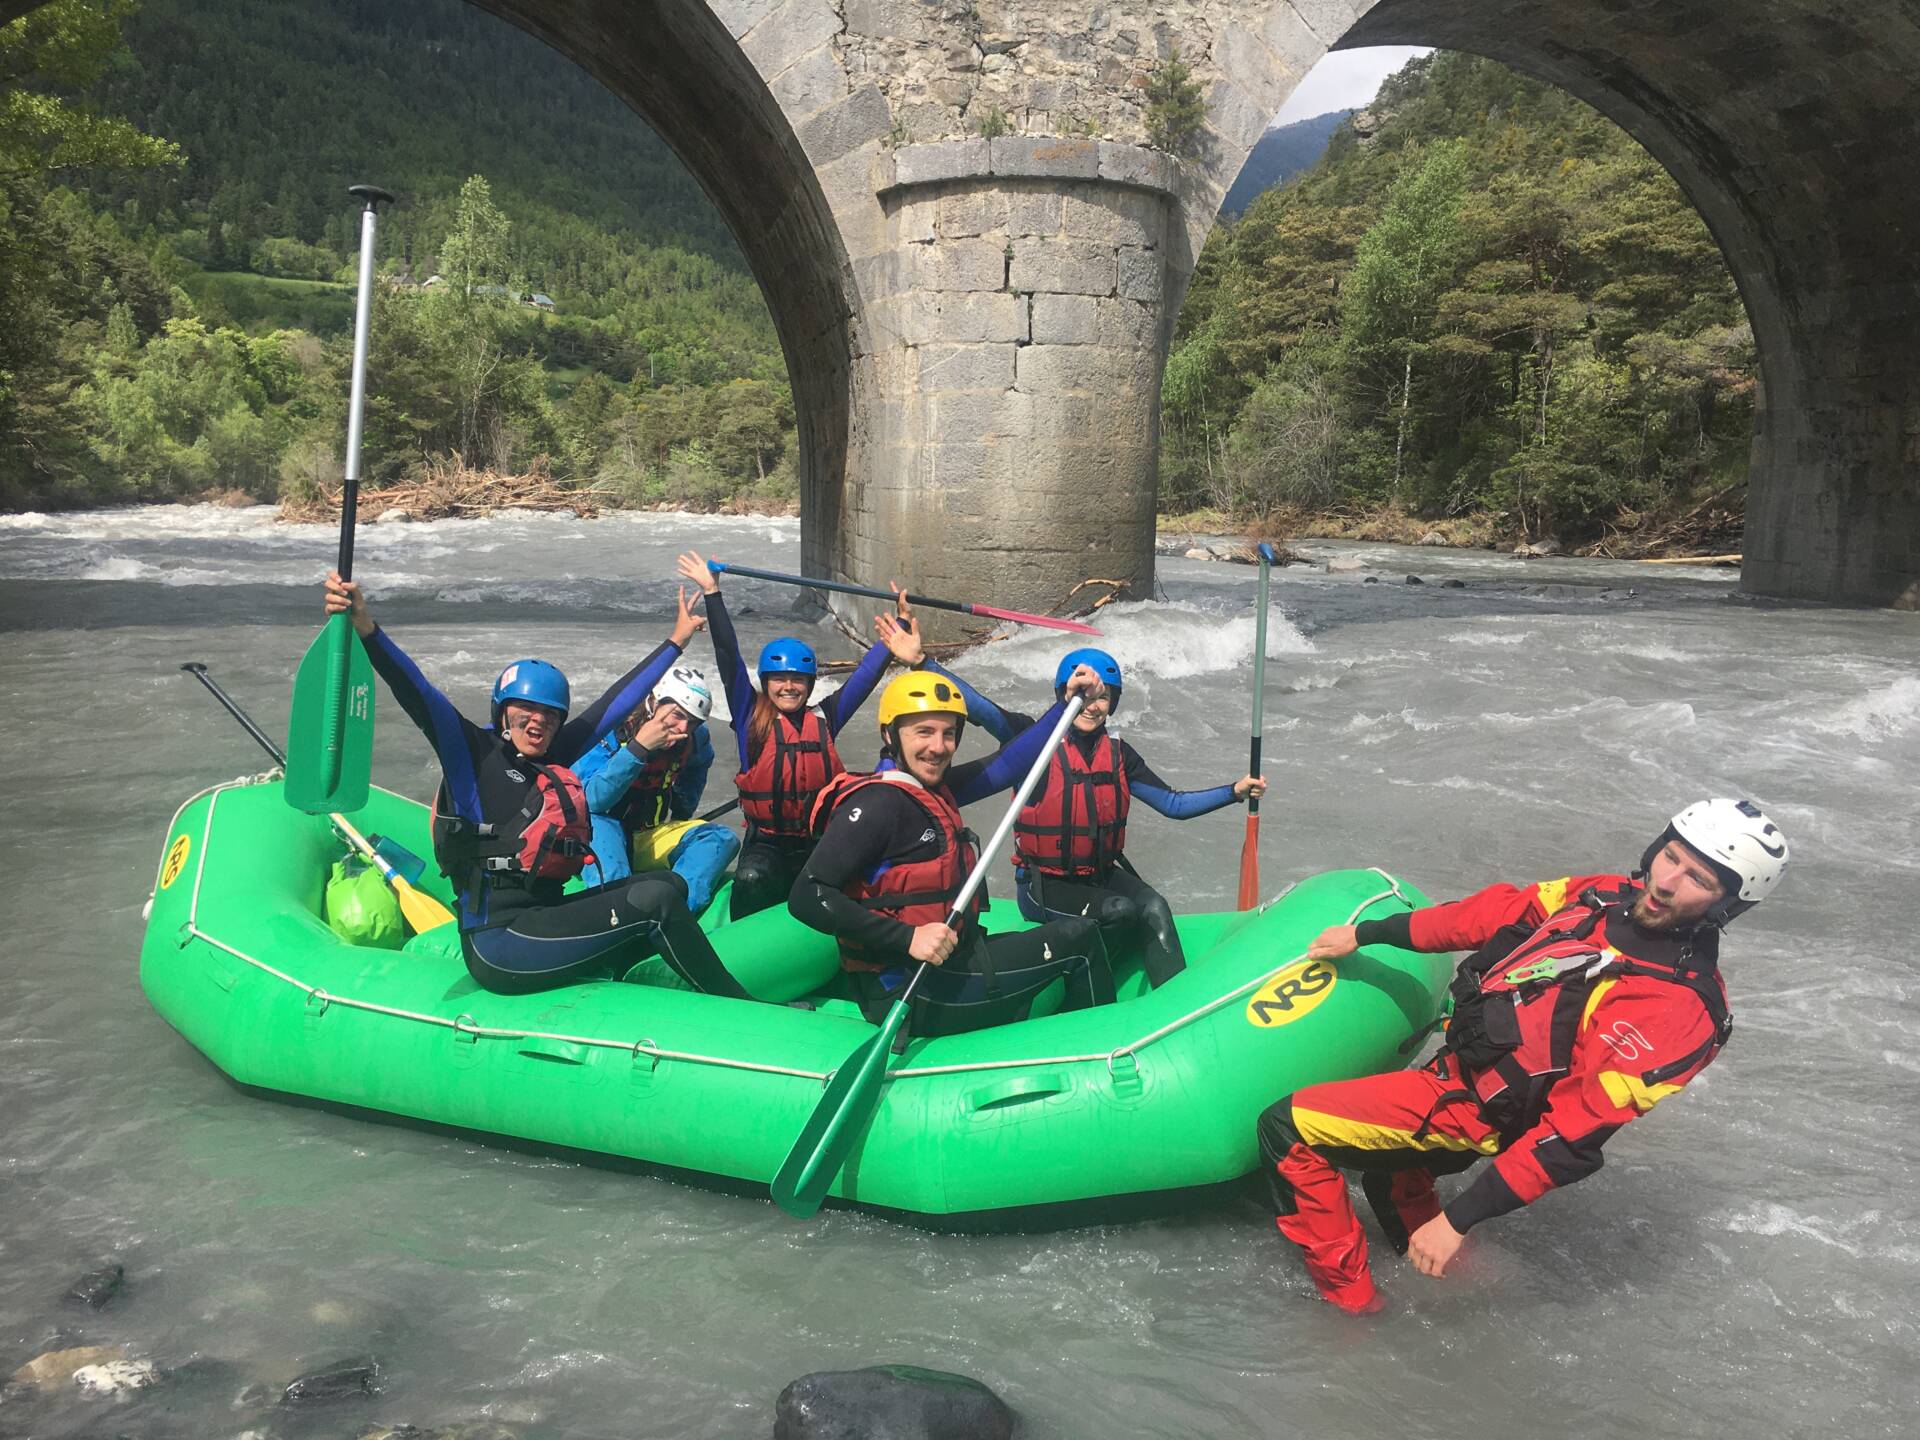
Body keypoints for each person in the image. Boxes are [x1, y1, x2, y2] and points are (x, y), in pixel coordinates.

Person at [1255, 799, 1790, 1314]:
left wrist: (1459, 1221)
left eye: (1699, 879)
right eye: (1671, 856)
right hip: (1462, 1065)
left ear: (1727, 905)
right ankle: (1455, 1281)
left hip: (1475, 1110)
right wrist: (1368, 934)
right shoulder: (1601, 895)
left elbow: (1572, 1139)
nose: (1666, 882)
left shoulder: (1677, 1008)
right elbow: (1486, 916)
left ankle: (1352, 1307)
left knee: (1286, 1129)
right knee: (1389, 1179)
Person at [321, 572, 749, 999]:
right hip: (499, 944)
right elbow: (416, 692)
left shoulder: (551, 758)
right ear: (503, 712)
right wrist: (368, 631)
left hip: (544, 918)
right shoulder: (472, 756)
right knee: (657, 898)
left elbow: (613, 703)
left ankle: (629, 980)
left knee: (671, 887)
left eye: (550, 714)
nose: (537, 720)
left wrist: (676, 642)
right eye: (525, 708)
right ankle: (737, 1004)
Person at [789, 667, 1118, 1039]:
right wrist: (907, 937)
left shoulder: (930, 790)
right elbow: (807, 896)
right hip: (912, 991)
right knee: (1082, 938)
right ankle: (1104, 1053)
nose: (938, 747)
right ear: (890, 734)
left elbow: (1011, 761)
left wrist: (1066, 705)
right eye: (923, 732)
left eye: (948, 733)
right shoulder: (880, 804)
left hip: (947, 966)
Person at [942, 647, 1266, 988]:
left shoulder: (1120, 754)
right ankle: (1076, 989)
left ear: (1112, 703)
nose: (1092, 705)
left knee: (1154, 906)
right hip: (1044, 885)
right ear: (1064, 694)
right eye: (1083, 695)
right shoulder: (1033, 741)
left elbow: (1174, 805)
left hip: (1100, 876)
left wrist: (1234, 791)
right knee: (1121, 911)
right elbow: (981, 709)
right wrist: (923, 662)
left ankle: (1175, 1001)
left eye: (1102, 697)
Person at [675, 550, 928, 921]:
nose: (789, 687)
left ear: (810, 685)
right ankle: (746, 947)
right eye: (780, 679)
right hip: (767, 845)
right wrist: (714, 594)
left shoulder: (826, 717)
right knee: (751, 877)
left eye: (798, 680)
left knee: (852, 882)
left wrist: (901, 627)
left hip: (820, 840)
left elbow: (863, 677)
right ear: (766, 682)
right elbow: (727, 655)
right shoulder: (750, 717)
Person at [572, 663, 739, 914]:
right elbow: (593, 801)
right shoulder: (611, 731)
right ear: (654, 702)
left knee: (721, 838)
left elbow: (698, 766)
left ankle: (674, 914)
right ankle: (617, 915)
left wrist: (683, 811)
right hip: (598, 830)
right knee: (598, 824)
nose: (684, 729)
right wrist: (638, 748)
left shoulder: (695, 737)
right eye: (678, 715)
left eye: (692, 721)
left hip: (647, 834)